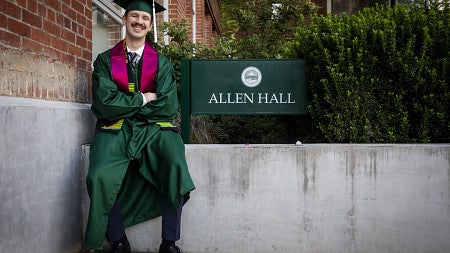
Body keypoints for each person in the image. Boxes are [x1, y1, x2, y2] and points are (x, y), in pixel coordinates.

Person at [84, 1, 195, 252]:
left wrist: (124, 104)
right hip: (115, 128)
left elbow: (168, 106)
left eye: (145, 18)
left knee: (174, 163)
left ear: (150, 24)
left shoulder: (162, 63)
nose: (139, 21)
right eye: (134, 16)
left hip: (153, 128)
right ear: (124, 19)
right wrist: (144, 98)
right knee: (99, 174)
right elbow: (104, 105)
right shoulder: (104, 61)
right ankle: (118, 239)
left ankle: (169, 242)